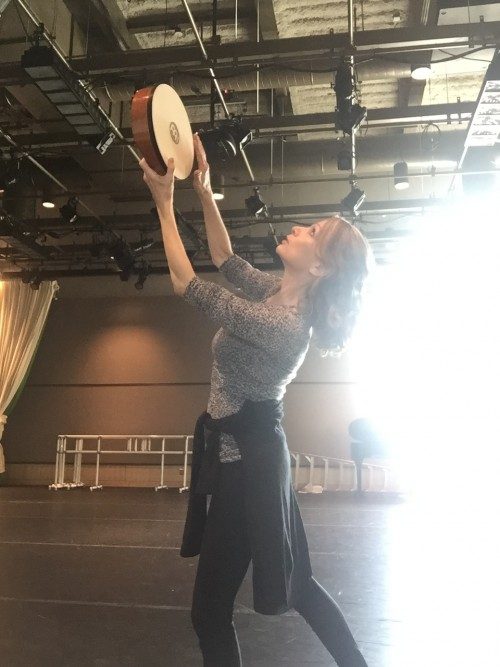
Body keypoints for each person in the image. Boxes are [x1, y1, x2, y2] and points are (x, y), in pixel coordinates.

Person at [139, 133, 370, 667]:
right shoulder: (274, 293)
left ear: (320, 268)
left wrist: (164, 203)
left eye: (312, 232)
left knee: (212, 612)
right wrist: (202, 191)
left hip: (245, 470)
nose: (299, 228)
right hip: (256, 459)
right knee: (299, 584)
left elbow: (185, 283)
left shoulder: (282, 324)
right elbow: (224, 257)